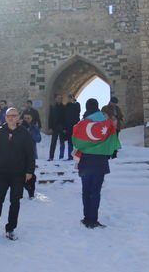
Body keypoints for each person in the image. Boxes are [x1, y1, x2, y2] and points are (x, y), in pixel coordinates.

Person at [0, 108, 35, 241]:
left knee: (15, 202)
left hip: (18, 173)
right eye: (8, 116)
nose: (11, 118)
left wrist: (29, 171)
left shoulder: (24, 133)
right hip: (2, 173)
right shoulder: (0, 132)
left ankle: (10, 229)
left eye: (14, 116)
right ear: (5, 118)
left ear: (18, 118)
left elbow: (30, 153)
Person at [72, 98, 121, 228]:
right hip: (99, 161)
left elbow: (76, 142)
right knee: (95, 191)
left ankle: (86, 217)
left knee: (86, 191)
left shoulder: (82, 124)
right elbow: (112, 139)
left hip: (85, 161)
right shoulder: (106, 122)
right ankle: (93, 219)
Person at [20, 112, 41, 198]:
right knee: (20, 175)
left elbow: (39, 139)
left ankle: (31, 193)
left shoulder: (34, 128)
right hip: (20, 155)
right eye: (25, 118)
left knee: (31, 174)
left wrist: (31, 134)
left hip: (31, 155)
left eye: (28, 118)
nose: (26, 120)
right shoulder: (19, 127)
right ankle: (19, 194)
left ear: (31, 119)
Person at [47, 94, 66, 161]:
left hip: (61, 127)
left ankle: (61, 157)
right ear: (55, 99)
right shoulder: (53, 108)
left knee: (62, 142)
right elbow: (50, 118)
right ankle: (51, 157)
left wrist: (64, 128)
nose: (60, 99)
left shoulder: (64, 108)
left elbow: (65, 118)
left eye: (61, 98)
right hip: (54, 127)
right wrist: (50, 128)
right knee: (53, 142)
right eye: (58, 98)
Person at [63, 94, 81, 160]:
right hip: (68, 126)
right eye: (69, 98)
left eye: (71, 97)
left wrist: (73, 102)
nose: (70, 99)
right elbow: (64, 117)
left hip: (76, 126)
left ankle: (78, 156)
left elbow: (78, 110)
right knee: (70, 142)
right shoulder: (66, 106)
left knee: (77, 141)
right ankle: (70, 156)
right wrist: (64, 128)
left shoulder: (77, 104)